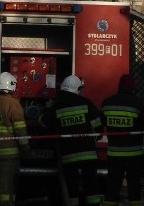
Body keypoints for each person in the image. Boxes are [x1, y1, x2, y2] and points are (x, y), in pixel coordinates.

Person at [40, 74, 103, 206]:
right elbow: (98, 123)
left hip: (68, 156)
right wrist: (98, 134)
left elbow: (44, 123)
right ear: (78, 89)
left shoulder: (57, 106)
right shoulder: (86, 103)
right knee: (91, 185)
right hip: (88, 154)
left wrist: (46, 108)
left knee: (71, 188)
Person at [101, 73, 144, 206]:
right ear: (132, 87)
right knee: (134, 189)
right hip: (134, 155)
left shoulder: (107, 102)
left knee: (112, 188)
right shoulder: (137, 103)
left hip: (114, 154)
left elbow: (99, 123)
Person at [0, 72, 30, 206]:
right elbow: (21, 131)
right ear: (12, 86)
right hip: (10, 154)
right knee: (7, 187)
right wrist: (26, 150)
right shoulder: (13, 105)